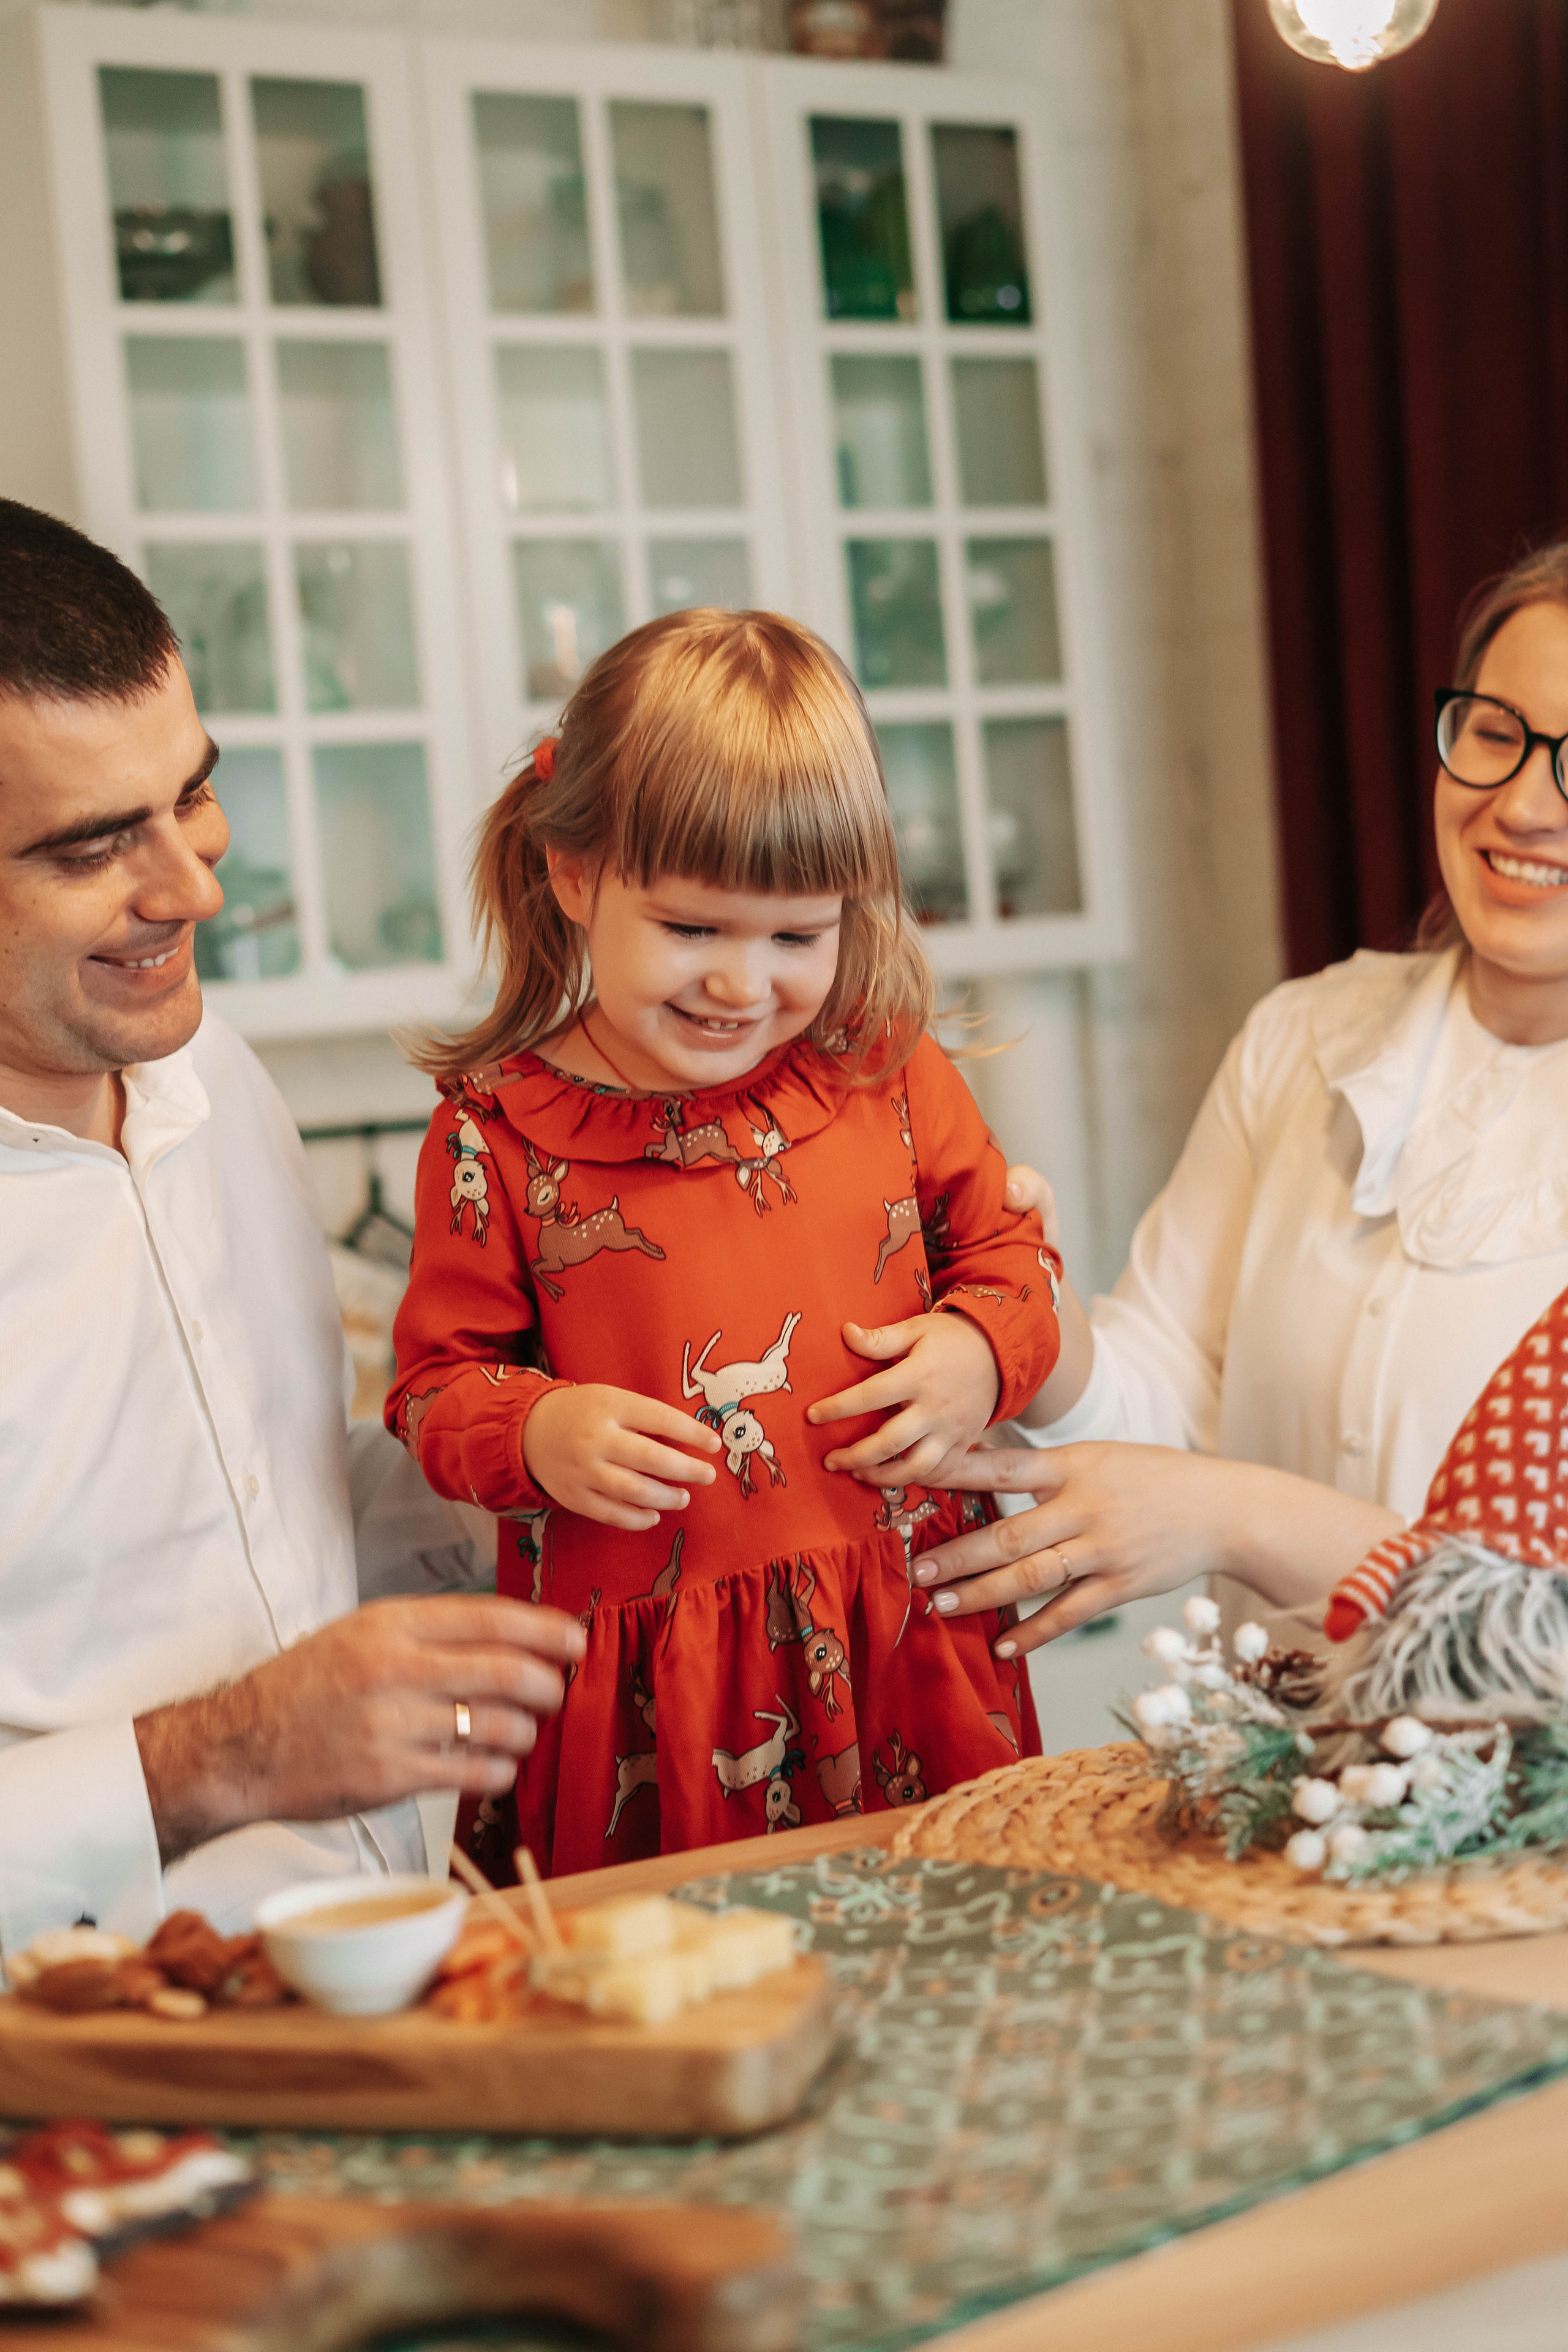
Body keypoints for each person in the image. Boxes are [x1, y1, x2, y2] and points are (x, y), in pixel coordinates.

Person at [387, 608, 1060, 1875]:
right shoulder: (496, 1138)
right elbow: (433, 1390)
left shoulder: (884, 1070)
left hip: (905, 1646)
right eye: (693, 930)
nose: (742, 986)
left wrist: (979, 1352)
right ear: (572, 874)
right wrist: (536, 1429)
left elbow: (1015, 1264)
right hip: (652, 1700)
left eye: (795, 937)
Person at [0, 500, 584, 1957]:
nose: (194, 885)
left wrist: (531, 1449)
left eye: (191, 793)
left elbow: (283, 1513)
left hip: (394, 1981)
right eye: (91, 847)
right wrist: (226, 1755)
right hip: (80, 2098)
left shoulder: (215, 1073)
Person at [907, 541, 1568, 1660]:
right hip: (1277, 1796)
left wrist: (1234, 1516)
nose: (1523, 806)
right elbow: (1157, 1395)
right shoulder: (1304, 1038)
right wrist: (1026, 1305)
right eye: (1496, 737)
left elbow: (1539, 1623)